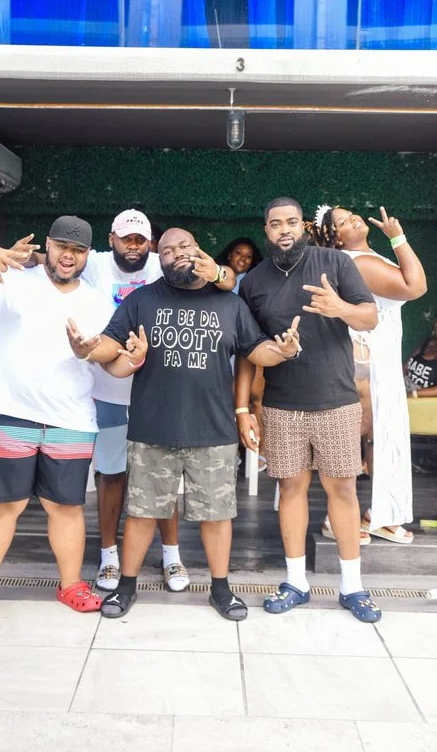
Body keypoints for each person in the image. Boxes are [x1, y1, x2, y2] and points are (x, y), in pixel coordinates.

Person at [66, 227, 302, 622]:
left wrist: (282, 351)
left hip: (212, 430)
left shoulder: (228, 303)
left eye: (184, 247)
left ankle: (221, 589)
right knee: (141, 513)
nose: (177, 254)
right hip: (152, 429)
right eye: (168, 250)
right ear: (159, 257)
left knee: (216, 514)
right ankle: (126, 587)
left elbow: (255, 348)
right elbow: (111, 341)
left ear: (198, 250)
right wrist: (89, 349)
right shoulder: (142, 300)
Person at [0, 216, 130, 626]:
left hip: (70, 418)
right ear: (48, 246)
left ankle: (70, 585)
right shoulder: (11, 279)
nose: (69, 255)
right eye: (62, 246)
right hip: (4, 410)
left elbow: (114, 361)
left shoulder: (98, 303)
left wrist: (123, 357)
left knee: (65, 506)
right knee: (2, 506)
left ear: (88, 255)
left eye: (78, 249)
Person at [236, 197, 382, 624]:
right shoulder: (254, 282)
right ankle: (296, 582)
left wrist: (340, 309)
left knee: (343, 491)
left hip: (336, 400)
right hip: (282, 405)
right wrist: (244, 407)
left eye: (292, 222)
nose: (284, 229)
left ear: (303, 226)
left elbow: (370, 316)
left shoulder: (333, 263)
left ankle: (352, 586)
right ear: (266, 230)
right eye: (275, 223)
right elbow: (248, 351)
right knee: (291, 491)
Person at [77, 209, 237, 592]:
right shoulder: (94, 264)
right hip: (114, 393)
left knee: (165, 483)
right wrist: (87, 349)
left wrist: (217, 273)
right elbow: (53, 263)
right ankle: (109, 557)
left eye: (140, 240)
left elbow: (227, 279)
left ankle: (171, 555)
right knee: (112, 476)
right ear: (111, 238)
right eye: (125, 238)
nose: (133, 246)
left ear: (151, 244)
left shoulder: (168, 259)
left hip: (163, 397)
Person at [312, 205, 427, 544]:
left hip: (378, 353)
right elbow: (415, 286)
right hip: (370, 357)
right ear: (336, 239)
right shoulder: (358, 262)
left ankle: (377, 513)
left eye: (351, 215)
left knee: (376, 436)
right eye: (344, 222)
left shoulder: (361, 257)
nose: (354, 219)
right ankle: (343, 518)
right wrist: (398, 237)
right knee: (366, 436)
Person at [216, 236, 266, 469]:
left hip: (247, 345)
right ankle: (232, 451)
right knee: (225, 399)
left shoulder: (255, 281)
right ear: (229, 254)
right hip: (221, 346)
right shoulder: (216, 278)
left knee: (253, 398)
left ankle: (258, 452)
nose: (243, 259)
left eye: (248, 256)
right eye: (239, 254)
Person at [405, 303, 437, 397]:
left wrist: (414, 394)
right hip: (402, 389)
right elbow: (406, 365)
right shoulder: (429, 343)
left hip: (421, 402)